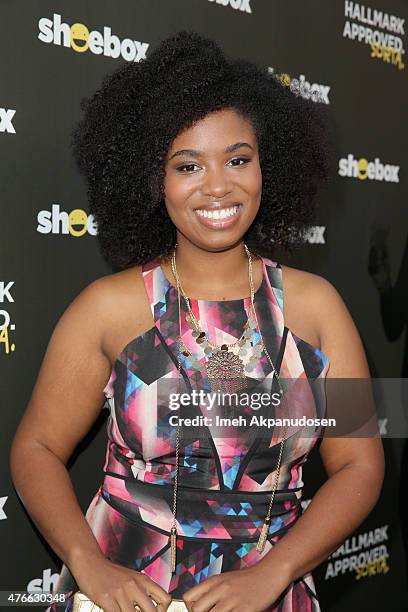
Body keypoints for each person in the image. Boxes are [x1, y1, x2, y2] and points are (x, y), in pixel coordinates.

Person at [10, 31, 384, 612]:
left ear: (269, 166)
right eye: (188, 165)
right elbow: (35, 447)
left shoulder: (318, 307)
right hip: (125, 589)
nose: (218, 185)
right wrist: (88, 565)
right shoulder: (108, 309)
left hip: (270, 588)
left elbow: (361, 465)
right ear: (152, 181)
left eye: (238, 159)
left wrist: (275, 572)